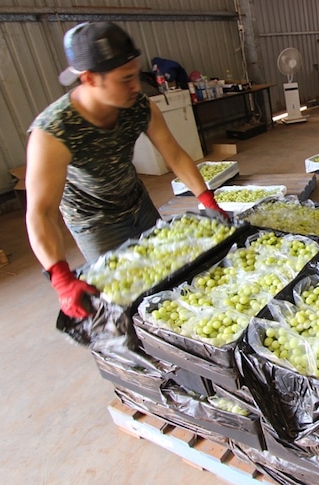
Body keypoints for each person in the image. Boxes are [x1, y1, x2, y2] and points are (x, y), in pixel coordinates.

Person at [25, 21, 230, 319]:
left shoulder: (138, 106)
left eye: (135, 75)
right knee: (127, 296)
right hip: (95, 222)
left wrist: (208, 201)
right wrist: (60, 276)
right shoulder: (54, 131)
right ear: (90, 78)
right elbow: (40, 212)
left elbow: (173, 153)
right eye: (125, 79)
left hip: (138, 204)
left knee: (168, 275)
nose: (136, 86)